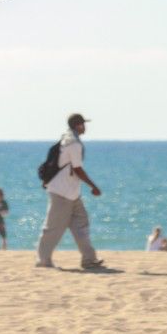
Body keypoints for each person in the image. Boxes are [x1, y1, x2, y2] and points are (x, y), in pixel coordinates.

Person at [36, 113, 104, 270]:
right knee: (53, 227)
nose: (85, 127)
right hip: (62, 192)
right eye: (83, 124)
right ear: (78, 125)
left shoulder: (67, 139)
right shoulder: (73, 143)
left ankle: (89, 259)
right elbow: (77, 169)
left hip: (71, 193)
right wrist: (93, 186)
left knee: (81, 224)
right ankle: (43, 260)